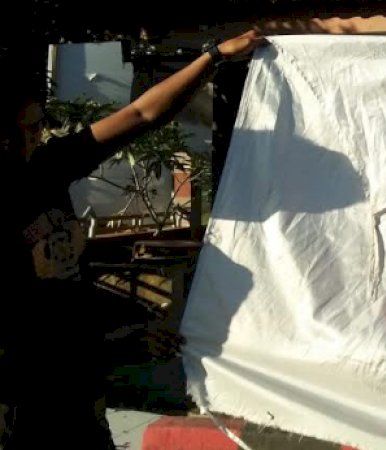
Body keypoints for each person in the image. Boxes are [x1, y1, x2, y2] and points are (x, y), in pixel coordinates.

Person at [0, 28, 265, 449]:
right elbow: (29, 319)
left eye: (35, 128)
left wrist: (213, 57)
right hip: (25, 407)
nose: (30, 141)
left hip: (81, 395)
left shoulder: (47, 166)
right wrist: (122, 339)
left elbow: (142, 115)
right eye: (19, 133)